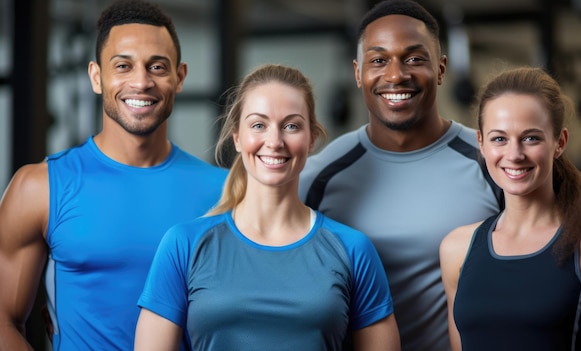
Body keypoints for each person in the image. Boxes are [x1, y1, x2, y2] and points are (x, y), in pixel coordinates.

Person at [0, 0, 227, 350]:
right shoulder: (40, 187)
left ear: (179, 78)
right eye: (123, 66)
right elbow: (3, 320)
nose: (141, 81)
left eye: (157, 67)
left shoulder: (224, 192)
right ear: (96, 76)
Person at [134, 63, 401, 351]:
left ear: (311, 139)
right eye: (259, 125)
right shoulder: (184, 244)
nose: (274, 142)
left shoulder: (352, 249)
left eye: (291, 126)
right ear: (237, 137)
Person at [298, 0, 503, 349]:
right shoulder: (319, 177)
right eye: (378, 60)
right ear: (357, 72)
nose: (396, 75)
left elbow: (562, 251)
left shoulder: (494, 163)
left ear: (441, 69)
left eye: (414, 59)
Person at [440, 66, 581, 351]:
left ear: (559, 142)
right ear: (481, 143)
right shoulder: (457, 248)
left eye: (531, 138)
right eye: (499, 138)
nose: (514, 155)